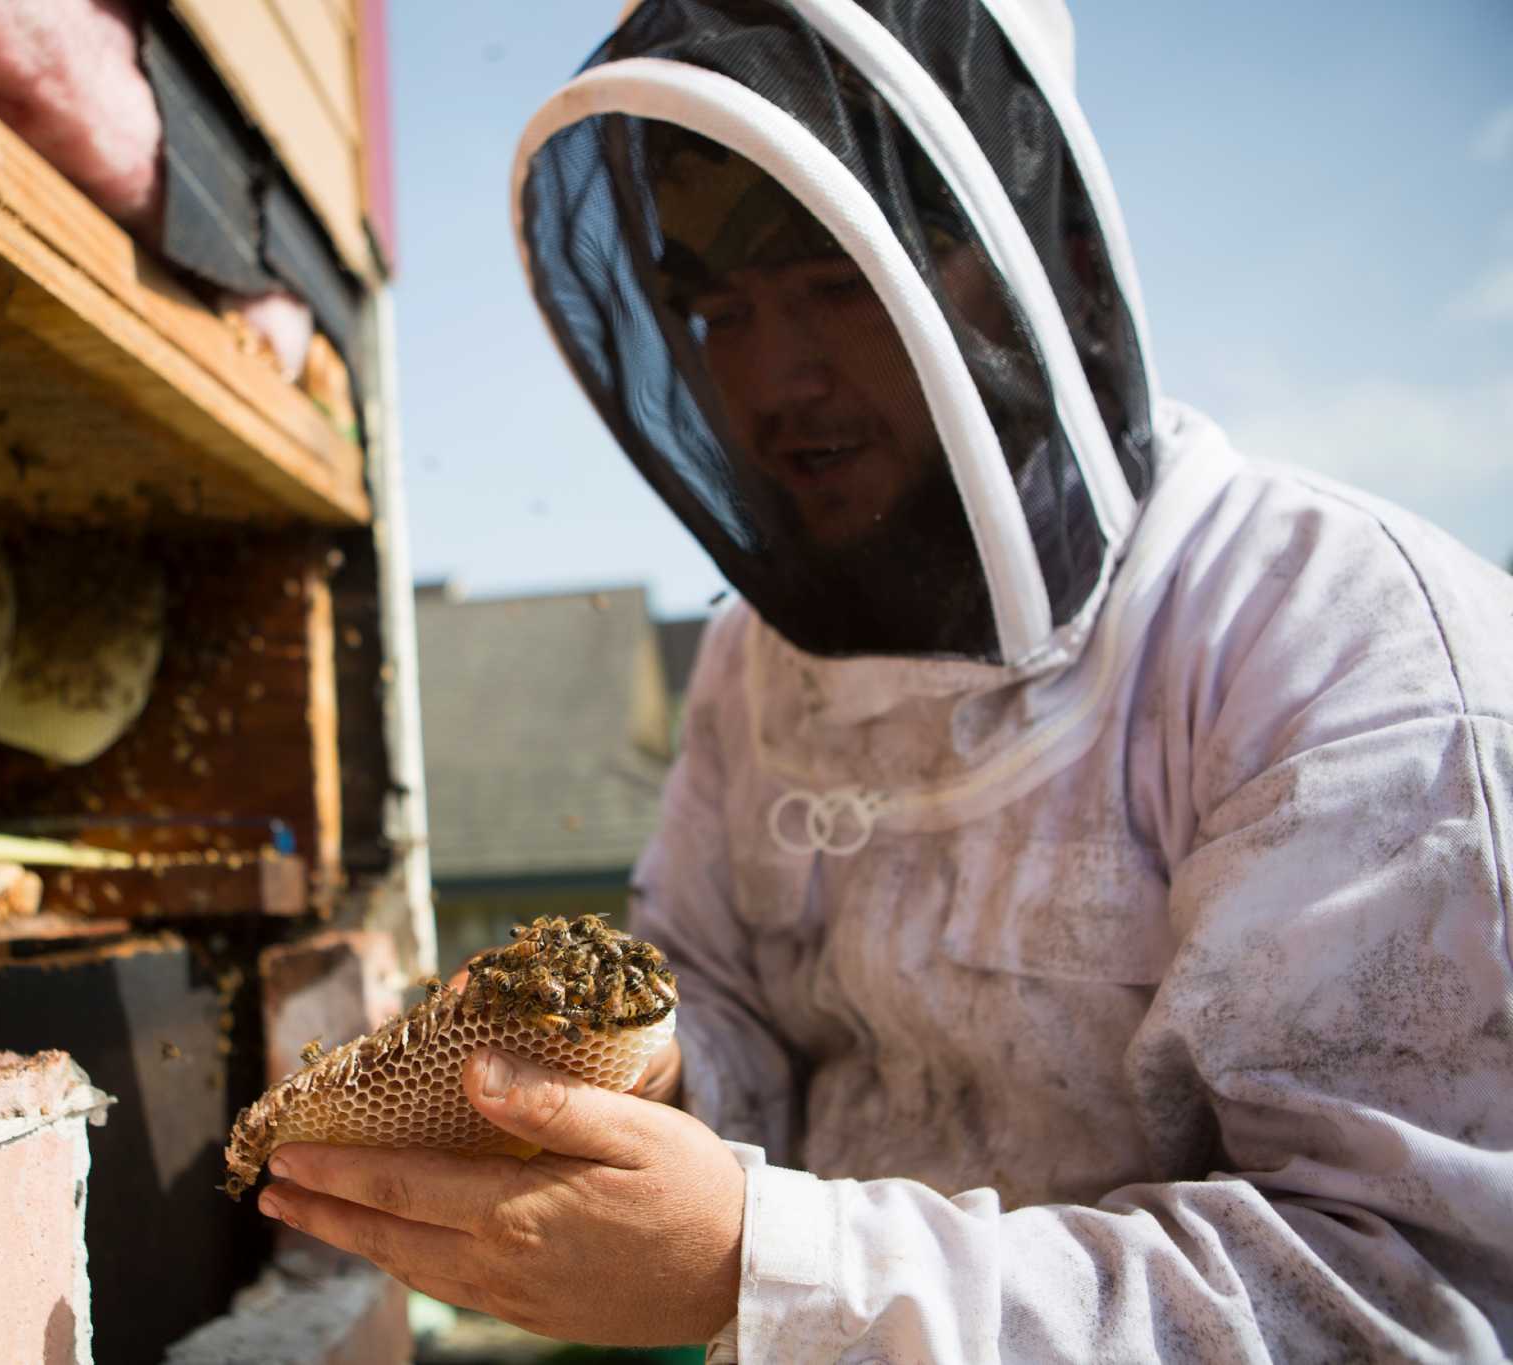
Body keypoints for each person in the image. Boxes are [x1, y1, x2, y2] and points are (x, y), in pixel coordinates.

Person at [254, 1, 1513, 1359]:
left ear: (1054, 268)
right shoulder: (758, 661)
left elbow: (1406, 1296)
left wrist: (757, 1270)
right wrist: (631, 1062)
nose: (771, 375)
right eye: (714, 307)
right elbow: (730, 1006)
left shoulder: (1341, 650)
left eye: (835, 279)